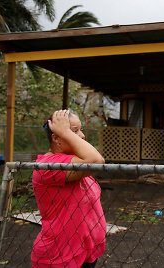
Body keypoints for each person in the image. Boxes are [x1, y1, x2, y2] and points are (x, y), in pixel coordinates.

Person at [31, 110, 106, 268]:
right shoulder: (48, 166)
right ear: (57, 138)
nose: (82, 136)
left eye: (81, 130)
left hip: (85, 254)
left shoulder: (75, 163)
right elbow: (97, 161)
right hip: (59, 257)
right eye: (74, 131)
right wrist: (65, 131)